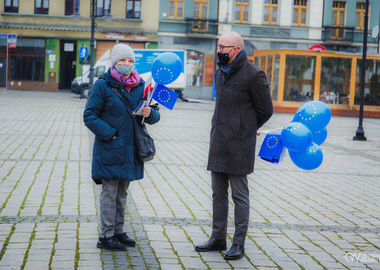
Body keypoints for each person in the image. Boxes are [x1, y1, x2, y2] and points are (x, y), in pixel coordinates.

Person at [195, 32, 273, 260]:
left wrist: (244, 128)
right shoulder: (220, 72)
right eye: (218, 46)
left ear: (236, 49)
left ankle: (238, 244)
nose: (219, 51)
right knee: (218, 194)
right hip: (218, 142)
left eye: (223, 47)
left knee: (240, 196)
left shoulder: (254, 75)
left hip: (240, 144)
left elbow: (266, 110)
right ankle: (218, 238)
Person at [83, 43, 160, 251]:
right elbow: (89, 115)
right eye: (123, 61)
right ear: (114, 63)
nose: (127, 64)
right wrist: (110, 134)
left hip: (130, 149)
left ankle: (118, 231)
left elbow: (155, 113)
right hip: (110, 147)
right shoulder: (103, 85)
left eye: (130, 61)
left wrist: (149, 114)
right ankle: (106, 235)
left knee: (122, 192)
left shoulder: (141, 85)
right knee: (109, 192)